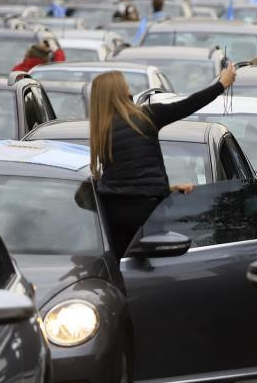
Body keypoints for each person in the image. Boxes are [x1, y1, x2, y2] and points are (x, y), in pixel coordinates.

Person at [91, 66, 238, 254]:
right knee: (151, 269)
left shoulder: (100, 131)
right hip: (147, 214)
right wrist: (221, 84)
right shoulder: (146, 116)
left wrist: (168, 189)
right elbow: (187, 105)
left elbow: (125, 178)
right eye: (125, 86)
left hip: (112, 214)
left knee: (122, 267)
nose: (130, 89)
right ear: (119, 92)